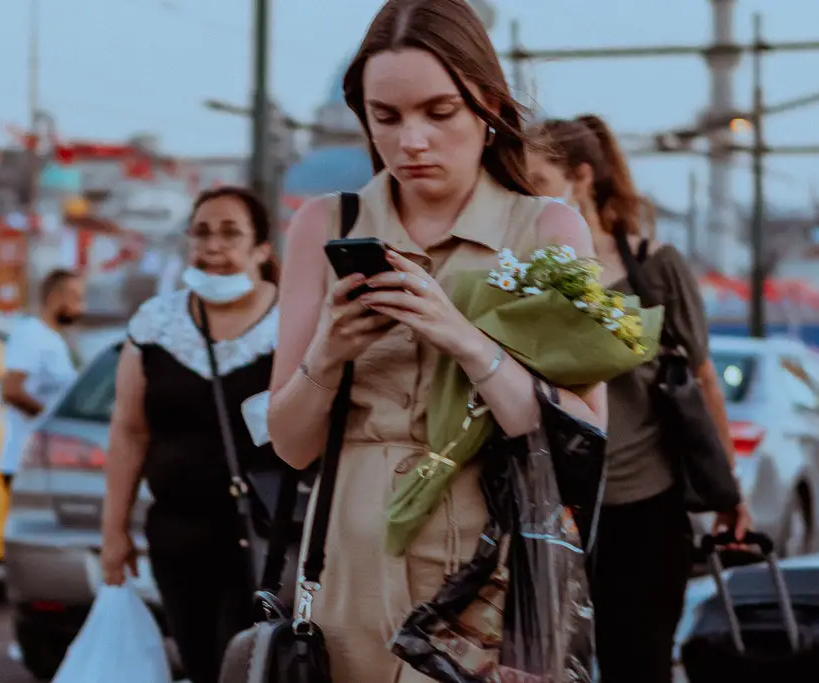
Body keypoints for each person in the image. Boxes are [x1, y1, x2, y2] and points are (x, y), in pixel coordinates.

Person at [267, 1, 608, 681]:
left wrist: (462, 337)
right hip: (345, 570)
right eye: (384, 117)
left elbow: (584, 438)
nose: (410, 142)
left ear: (486, 105)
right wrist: (328, 353)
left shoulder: (548, 230)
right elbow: (290, 442)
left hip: (487, 582)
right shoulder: (323, 225)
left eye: (438, 112)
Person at [525, 114, 749, 683]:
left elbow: (702, 380)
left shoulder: (655, 268)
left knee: (639, 665)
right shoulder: (524, 274)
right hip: (554, 508)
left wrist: (727, 489)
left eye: (539, 185)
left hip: (645, 505)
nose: (529, 203)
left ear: (582, 178)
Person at [100, 186, 283, 683]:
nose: (214, 246)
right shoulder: (157, 323)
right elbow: (129, 431)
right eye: (202, 232)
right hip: (178, 534)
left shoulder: (292, 322)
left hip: (266, 534)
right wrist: (114, 530)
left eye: (231, 233)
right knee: (201, 661)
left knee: (249, 661)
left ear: (261, 249)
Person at [0, 268, 84, 489]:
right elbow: (11, 390)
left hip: (47, 462)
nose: (81, 307)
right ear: (55, 298)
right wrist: (51, 422)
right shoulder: (31, 334)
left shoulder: (55, 340)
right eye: (76, 298)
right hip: (23, 462)